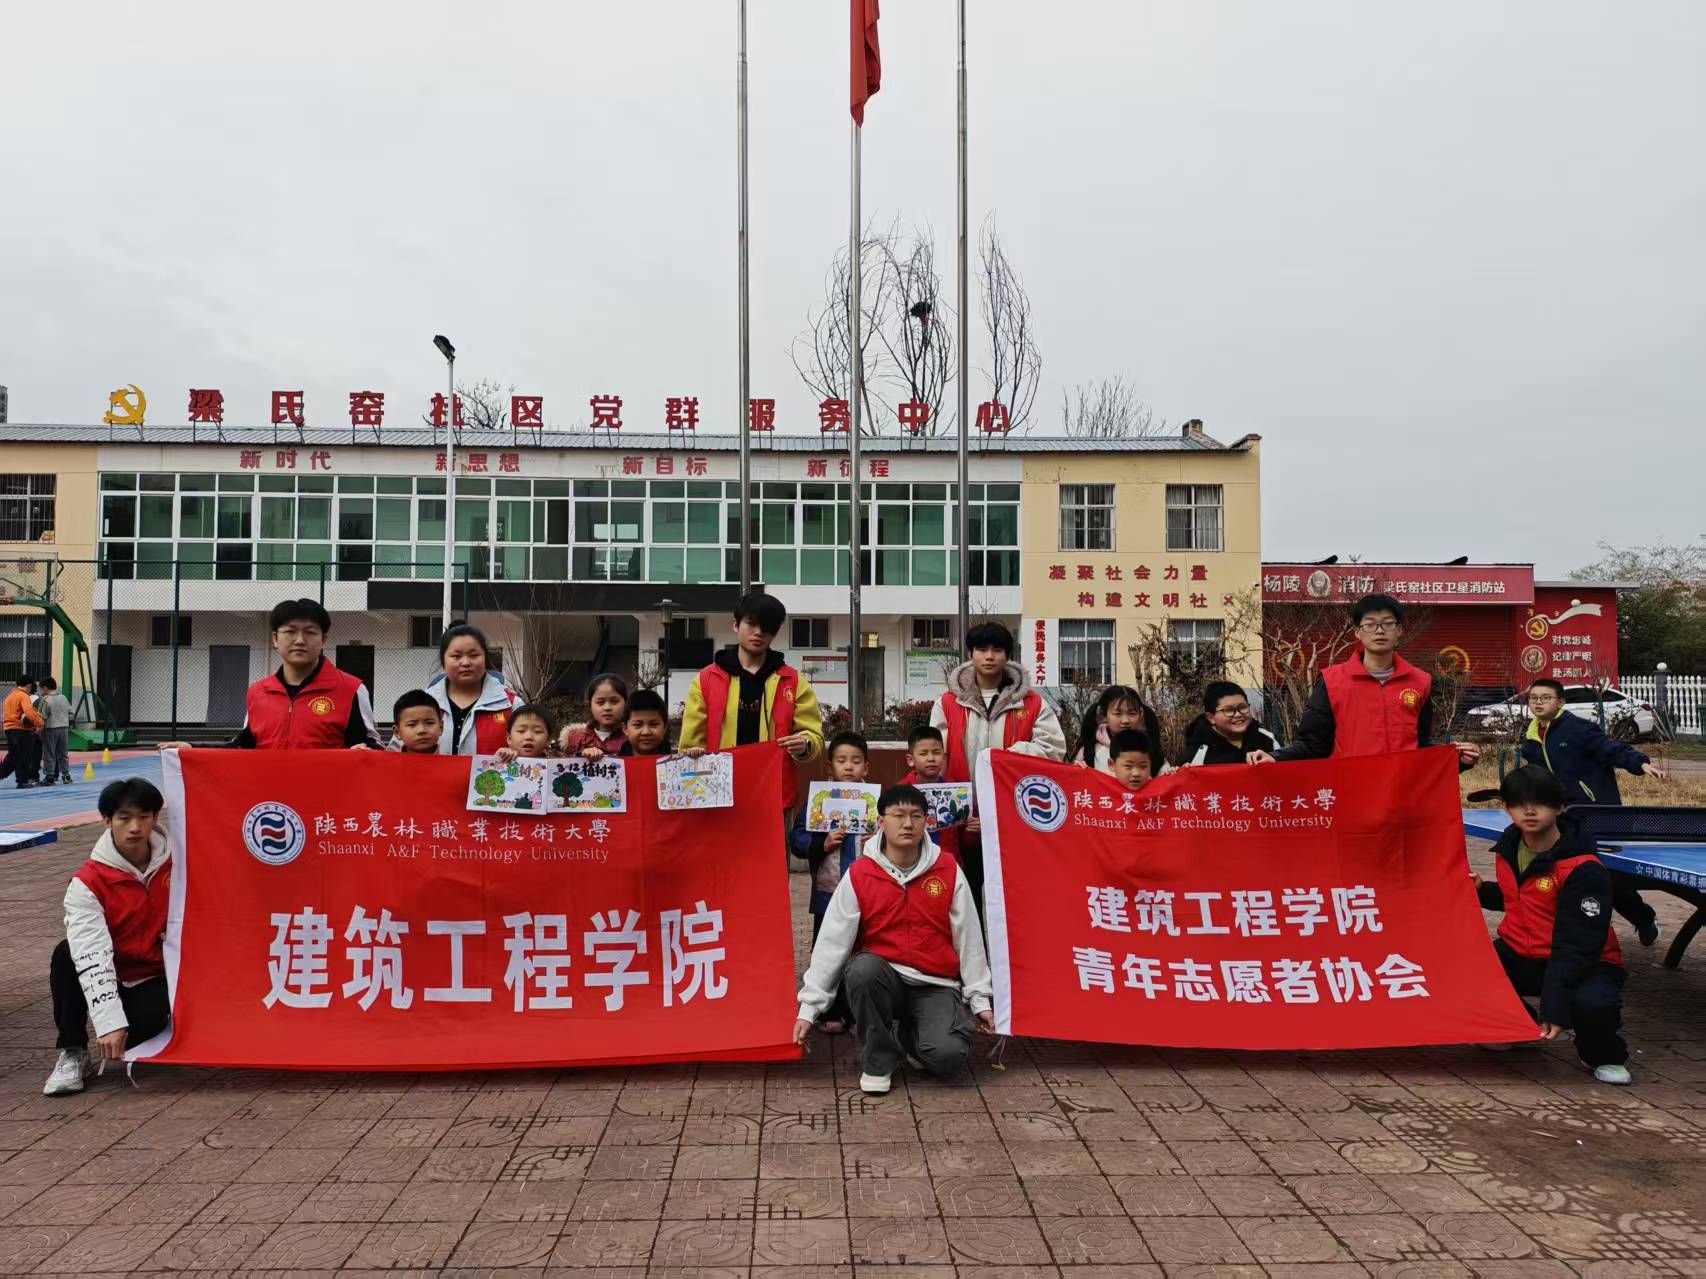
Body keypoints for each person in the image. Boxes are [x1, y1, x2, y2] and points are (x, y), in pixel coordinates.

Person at [794, 783, 995, 1095]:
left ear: (927, 821)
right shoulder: (860, 874)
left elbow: (968, 937)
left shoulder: (947, 869)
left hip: (934, 983)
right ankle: (879, 1058)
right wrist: (809, 1008)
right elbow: (832, 943)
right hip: (882, 979)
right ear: (880, 822)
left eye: (916, 816)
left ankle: (910, 1036)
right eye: (898, 815)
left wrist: (980, 999)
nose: (907, 824)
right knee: (861, 970)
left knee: (949, 1057)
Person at [1474, 766, 1630, 1085]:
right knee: (1464, 973)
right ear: (1506, 807)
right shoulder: (1509, 849)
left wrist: (1554, 1007)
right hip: (1520, 952)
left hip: (1587, 961)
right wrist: (1480, 891)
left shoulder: (1583, 868)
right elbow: (1520, 897)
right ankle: (1520, 1026)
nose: (1530, 811)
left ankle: (1602, 1053)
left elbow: (1577, 944)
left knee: (1593, 1004)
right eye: (1519, 803)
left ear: (1559, 808)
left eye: (1541, 803)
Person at [44, 778, 171, 1096]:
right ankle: (72, 1051)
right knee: (66, 953)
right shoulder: (87, 882)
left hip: (159, 974)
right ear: (106, 820)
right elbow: (91, 953)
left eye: (143, 817)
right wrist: (109, 1022)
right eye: (124, 818)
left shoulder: (180, 866)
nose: (135, 827)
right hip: (112, 971)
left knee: (141, 1033)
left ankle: (166, 1025)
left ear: (155, 817)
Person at [1518, 677, 1666, 944]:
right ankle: (1568, 932)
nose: (1538, 703)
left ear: (1560, 702)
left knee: (1606, 876)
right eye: (1534, 698)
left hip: (1597, 814)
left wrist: (1640, 763)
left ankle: (1643, 917)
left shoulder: (1578, 729)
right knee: (1558, 873)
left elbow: (1611, 749)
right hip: (1561, 818)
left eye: (1545, 698)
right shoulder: (1531, 738)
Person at [1257, 594, 1480, 769]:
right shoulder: (1331, 681)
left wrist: (1458, 759)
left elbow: (1421, 746)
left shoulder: (1420, 681)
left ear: (1399, 630)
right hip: (1351, 793)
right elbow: (1313, 744)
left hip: (1403, 794)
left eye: (1388, 624)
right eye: (1370, 624)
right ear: (1357, 632)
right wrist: (1276, 757)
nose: (1379, 631)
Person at [929, 621, 1065, 906]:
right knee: (961, 897)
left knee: (1012, 899)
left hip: (1014, 819)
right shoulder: (948, 703)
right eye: (982, 649)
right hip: (960, 822)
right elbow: (934, 756)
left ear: (1008, 655)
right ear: (970, 654)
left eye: (997, 649)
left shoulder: (1032, 703)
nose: (989, 656)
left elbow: (1053, 749)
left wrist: (1010, 756)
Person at [161, 600, 380, 751]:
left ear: (323, 640)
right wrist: (193, 749)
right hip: (272, 802)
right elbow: (243, 747)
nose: (300, 640)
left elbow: (373, 747)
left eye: (310, 632)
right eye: (290, 632)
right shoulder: (257, 692)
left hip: (327, 802)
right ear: (275, 638)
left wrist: (365, 751)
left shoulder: (351, 689)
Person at [679, 591, 824, 812]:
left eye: (767, 627)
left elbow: (814, 737)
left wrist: (805, 745)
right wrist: (692, 754)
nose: (759, 632)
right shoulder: (706, 680)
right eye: (751, 624)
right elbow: (690, 746)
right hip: (718, 796)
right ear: (736, 625)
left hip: (774, 797)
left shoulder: (793, 681)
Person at [789, 730, 870, 1033]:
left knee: (863, 949)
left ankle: (858, 1009)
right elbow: (797, 840)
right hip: (828, 890)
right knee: (826, 950)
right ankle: (827, 1008)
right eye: (841, 760)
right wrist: (821, 843)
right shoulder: (818, 801)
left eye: (856, 761)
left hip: (866, 893)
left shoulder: (875, 801)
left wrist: (880, 840)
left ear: (866, 767)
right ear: (830, 766)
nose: (848, 766)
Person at [424, 623, 520, 756]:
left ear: (485, 658)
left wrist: (515, 753)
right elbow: (399, 752)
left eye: (474, 655)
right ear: (443, 660)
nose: (466, 663)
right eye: (456, 656)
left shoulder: (511, 704)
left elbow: (533, 754)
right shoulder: (422, 703)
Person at [1177, 681, 1282, 767]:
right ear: (1211, 718)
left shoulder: (1267, 739)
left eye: (1243, 707)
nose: (1238, 714)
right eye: (1229, 710)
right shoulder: (1196, 754)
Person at [1075, 685, 1164, 778]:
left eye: (1132, 713)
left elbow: (1163, 777)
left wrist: (1169, 773)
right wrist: (1077, 770)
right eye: (1118, 714)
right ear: (1103, 715)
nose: (1125, 720)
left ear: (1140, 714)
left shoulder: (1149, 746)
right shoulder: (1090, 751)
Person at [560, 674, 629, 759]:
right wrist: (581, 756)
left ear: (626, 704)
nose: (607, 708)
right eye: (600, 702)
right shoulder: (576, 740)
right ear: (589, 706)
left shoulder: (632, 739)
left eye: (614, 701)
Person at [2, 673, 44, 788]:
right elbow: (29, 712)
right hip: (21, 730)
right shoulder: (23, 696)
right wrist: (40, 723)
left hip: (9, 729)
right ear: (29, 685)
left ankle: (2, 773)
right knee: (23, 756)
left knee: (13, 755)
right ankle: (22, 781)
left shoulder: (9, 697)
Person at [36, 676, 73, 785]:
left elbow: (41, 717)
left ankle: (50, 777)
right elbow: (71, 713)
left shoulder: (45, 700)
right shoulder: (63, 697)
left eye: (41, 689)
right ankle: (66, 775)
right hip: (64, 728)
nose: (41, 691)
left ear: (45, 688)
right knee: (63, 753)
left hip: (50, 729)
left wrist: (38, 730)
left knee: (49, 753)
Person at [619, 689, 674, 756]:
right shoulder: (611, 761)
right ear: (625, 728)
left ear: (665, 727)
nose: (646, 732)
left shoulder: (679, 761)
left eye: (654, 724)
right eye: (638, 725)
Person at [390, 689, 445, 755]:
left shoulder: (452, 761)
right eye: (412, 724)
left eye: (429, 723)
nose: (422, 730)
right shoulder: (387, 761)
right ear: (397, 732)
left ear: (441, 727)